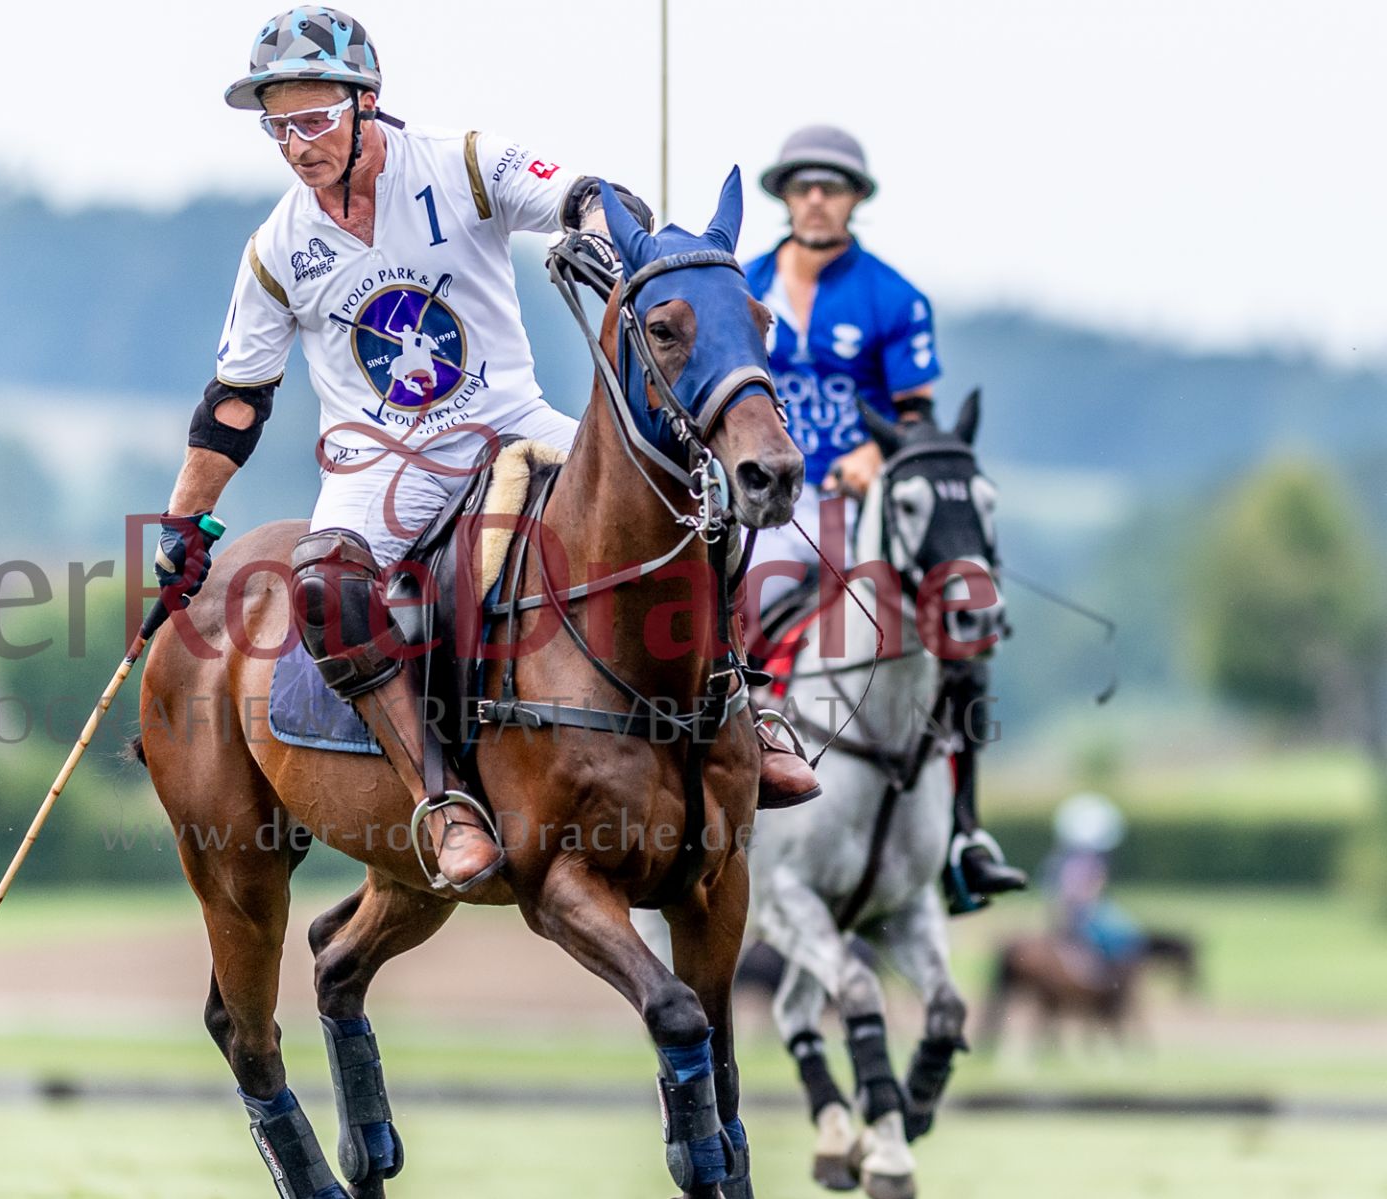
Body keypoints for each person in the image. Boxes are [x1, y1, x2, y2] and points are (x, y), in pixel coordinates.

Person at [148, 9, 826, 895]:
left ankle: (743, 701)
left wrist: (597, 226)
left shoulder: (460, 165)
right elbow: (236, 401)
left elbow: (584, 194)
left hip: (515, 425)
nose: (296, 145)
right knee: (322, 585)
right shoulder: (278, 249)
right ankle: (442, 803)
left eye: (313, 119)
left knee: (685, 496)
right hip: (377, 467)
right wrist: (185, 519)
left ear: (365, 103)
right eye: (278, 126)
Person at [743, 124, 1024, 913]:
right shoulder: (742, 284)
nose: (817, 198)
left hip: (859, 504)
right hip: (761, 499)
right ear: (785, 195)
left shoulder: (893, 297)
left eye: (832, 186)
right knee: (722, 619)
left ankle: (964, 834)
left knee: (957, 627)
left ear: (855, 199)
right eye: (803, 185)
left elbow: (917, 418)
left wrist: (874, 453)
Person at [1042, 793, 1145, 983]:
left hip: (1075, 910)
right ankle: (1109, 982)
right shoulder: (1090, 861)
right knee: (1125, 937)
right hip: (1084, 912)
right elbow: (1085, 892)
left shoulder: (1064, 858)